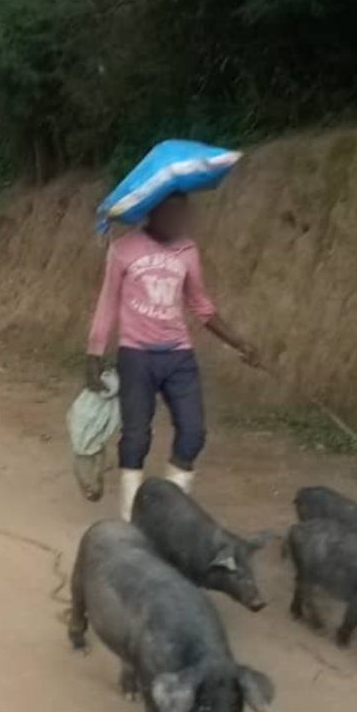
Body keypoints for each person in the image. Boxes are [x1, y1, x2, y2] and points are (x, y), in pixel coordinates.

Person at [85, 192, 260, 521]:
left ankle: (170, 516)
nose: (180, 220)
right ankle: (131, 521)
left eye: (183, 213)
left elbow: (201, 306)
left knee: (193, 433)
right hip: (136, 355)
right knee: (136, 437)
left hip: (178, 355)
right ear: (153, 212)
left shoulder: (187, 250)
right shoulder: (123, 250)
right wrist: (94, 353)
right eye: (173, 213)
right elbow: (107, 303)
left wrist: (239, 343)